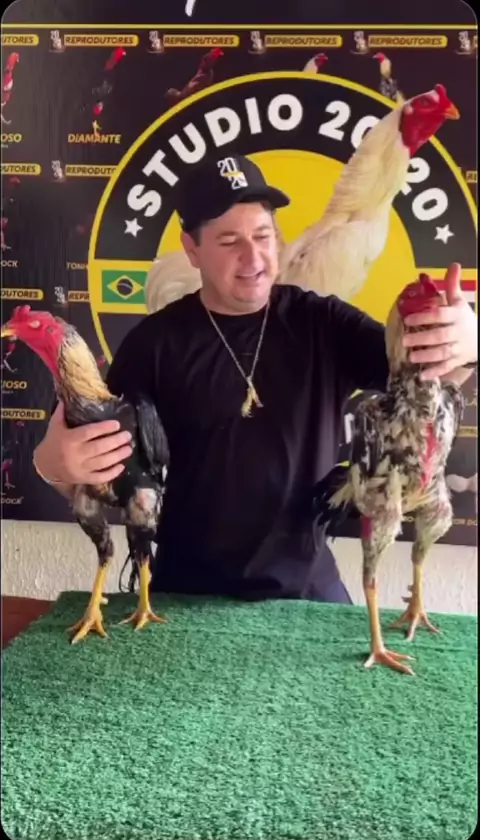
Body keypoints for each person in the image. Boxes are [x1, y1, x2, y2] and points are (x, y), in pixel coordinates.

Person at [33, 154, 478, 603]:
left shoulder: (323, 322)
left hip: (308, 596)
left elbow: (430, 382)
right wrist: (53, 466)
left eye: (263, 236)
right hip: (185, 597)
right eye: (229, 241)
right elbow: (89, 466)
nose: (253, 257)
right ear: (192, 249)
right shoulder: (154, 343)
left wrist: (465, 345)